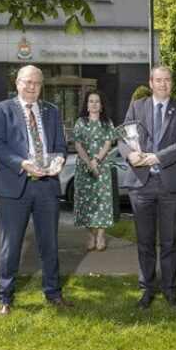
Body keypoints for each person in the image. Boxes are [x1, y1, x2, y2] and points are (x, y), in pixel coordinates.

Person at [0, 65, 71, 317]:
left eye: (36, 83)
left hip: (47, 187)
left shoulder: (52, 111)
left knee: (49, 244)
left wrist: (58, 161)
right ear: (17, 83)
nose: (31, 86)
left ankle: (53, 293)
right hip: (15, 186)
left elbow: (59, 146)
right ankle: (5, 297)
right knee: (10, 245)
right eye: (27, 82)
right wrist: (23, 164)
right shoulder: (2, 109)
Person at [118, 65, 176, 310]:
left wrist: (156, 157)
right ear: (150, 83)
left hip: (170, 184)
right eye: (158, 80)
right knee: (145, 241)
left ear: (172, 83)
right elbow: (123, 138)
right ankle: (146, 291)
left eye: (167, 80)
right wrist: (130, 155)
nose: (163, 84)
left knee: (170, 241)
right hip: (141, 184)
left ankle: (170, 291)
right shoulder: (137, 107)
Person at [72, 90, 115, 251]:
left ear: (101, 105)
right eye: (91, 101)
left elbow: (108, 143)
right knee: (86, 201)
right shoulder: (80, 122)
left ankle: (101, 235)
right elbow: (77, 143)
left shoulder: (107, 123)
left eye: (97, 101)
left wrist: (96, 160)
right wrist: (89, 162)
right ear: (87, 105)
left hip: (102, 167)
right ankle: (90, 234)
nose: (94, 104)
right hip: (84, 167)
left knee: (103, 201)